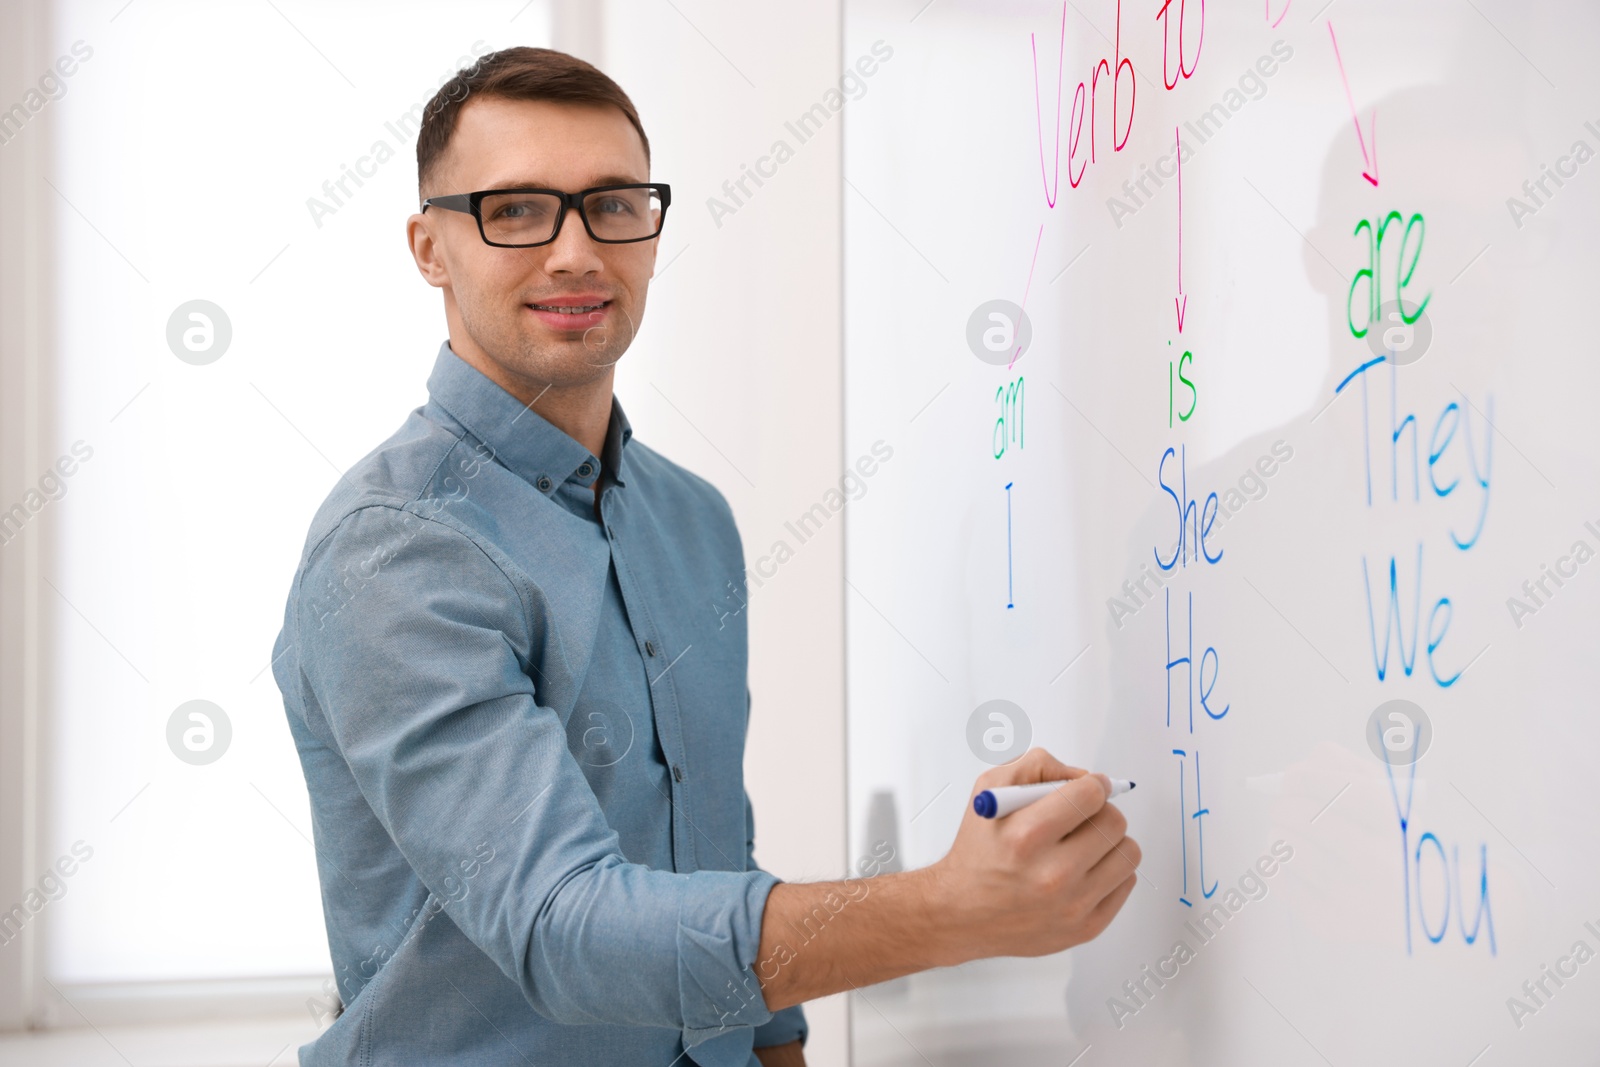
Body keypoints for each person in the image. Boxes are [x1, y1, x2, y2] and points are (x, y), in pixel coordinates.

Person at [270, 45, 1140, 1067]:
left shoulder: (690, 518)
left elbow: (711, 847)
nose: (574, 251)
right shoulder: (395, 548)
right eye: (514, 210)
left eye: (613, 204)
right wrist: (945, 909)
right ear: (429, 247)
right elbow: (565, 924)